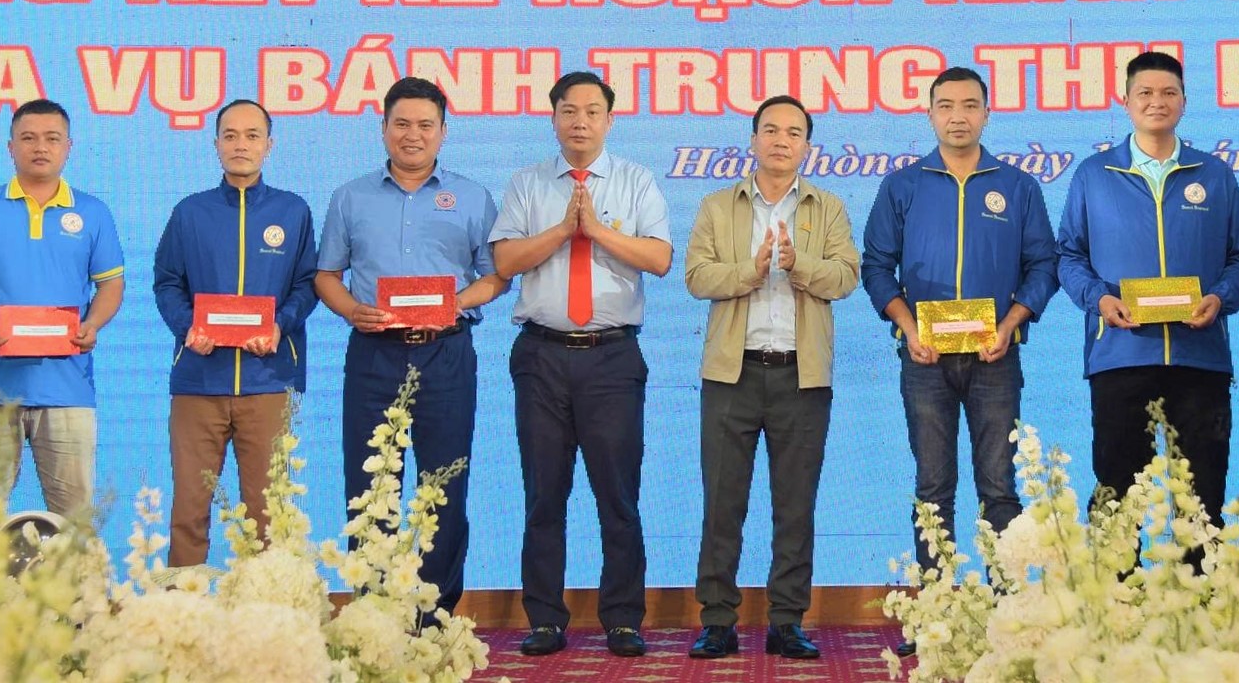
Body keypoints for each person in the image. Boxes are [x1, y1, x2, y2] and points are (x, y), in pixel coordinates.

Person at [491, 70, 672, 658]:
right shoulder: (527, 183)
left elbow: (660, 258)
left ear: (610, 121)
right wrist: (562, 231)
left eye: (593, 112)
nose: (580, 122)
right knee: (544, 494)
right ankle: (545, 618)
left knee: (618, 496)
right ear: (553, 118)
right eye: (569, 111)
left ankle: (622, 618)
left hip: (611, 357)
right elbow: (506, 260)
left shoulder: (635, 181)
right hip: (541, 356)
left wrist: (595, 231)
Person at [315, 77, 505, 614]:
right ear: (383, 129)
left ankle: (434, 615)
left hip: (446, 353)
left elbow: (496, 277)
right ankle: (374, 613)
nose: (412, 135)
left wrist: (457, 302)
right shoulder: (350, 196)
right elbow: (326, 275)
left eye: (425, 125)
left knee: (443, 485)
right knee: (371, 485)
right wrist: (350, 309)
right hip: (374, 353)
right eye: (401, 124)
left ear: (443, 131)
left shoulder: (472, 196)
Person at [683, 95, 861, 662]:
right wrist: (752, 270)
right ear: (753, 139)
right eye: (771, 130)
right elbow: (697, 276)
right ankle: (717, 621)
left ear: (807, 145)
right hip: (731, 374)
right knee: (722, 504)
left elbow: (846, 277)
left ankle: (787, 621)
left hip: (801, 376)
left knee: (795, 505)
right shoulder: (718, 205)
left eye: (793, 133)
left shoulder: (828, 207)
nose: (781, 141)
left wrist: (796, 263)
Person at [861, 65, 1059, 573]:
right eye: (946, 106)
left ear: (987, 114)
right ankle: (936, 607)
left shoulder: (1018, 186)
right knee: (933, 488)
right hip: (924, 359)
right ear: (929, 115)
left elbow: (1044, 265)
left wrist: (1010, 325)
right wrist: (909, 330)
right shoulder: (902, 186)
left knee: (1000, 488)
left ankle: (1007, 605)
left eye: (970, 106)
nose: (958, 116)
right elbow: (877, 267)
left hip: (996, 356)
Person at [1057, 51, 1239, 507]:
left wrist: (1219, 298)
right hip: (1120, 355)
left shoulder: (1215, 174)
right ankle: (1114, 560)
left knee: (1202, 499)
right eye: (1144, 92)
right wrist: (1100, 300)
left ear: (1184, 101)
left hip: (1199, 357)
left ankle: (1202, 559)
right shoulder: (1094, 175)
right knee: (1117, 498)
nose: (1156, 101)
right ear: (1125, 101)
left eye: (1168, 92)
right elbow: (1069, 255)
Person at [0, 98, 125, 521]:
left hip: (68, 390)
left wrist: (93, 324)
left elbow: (111, 284)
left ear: (68, 147)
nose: (40, 147)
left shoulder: (93, 212)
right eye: (28, 138)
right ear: (11, 147)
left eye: (52, 138)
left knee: (75, 525)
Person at [150, 98, 318, 568]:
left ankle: (264, 608)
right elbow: (167, 282)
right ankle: (185, 605)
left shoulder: (293, 211)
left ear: (269, 145)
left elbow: (308, 284)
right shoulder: (190, 212)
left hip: (268, 381)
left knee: (268, 515)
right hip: (198, 381)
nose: (240, 144)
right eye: (230, 135)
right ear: (216, 144)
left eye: (251, 135)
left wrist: (279, 325)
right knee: (189, 510)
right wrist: (188, 328)